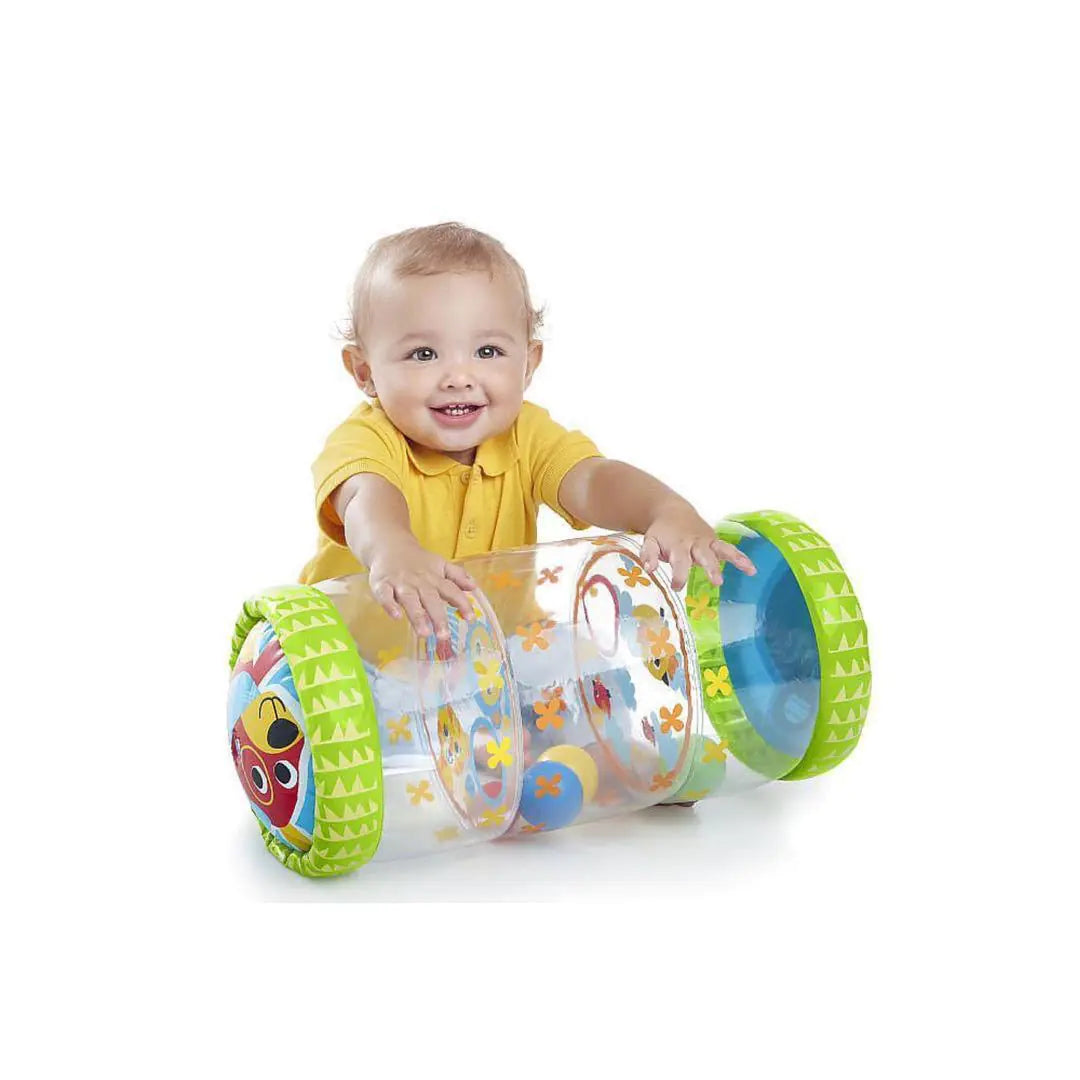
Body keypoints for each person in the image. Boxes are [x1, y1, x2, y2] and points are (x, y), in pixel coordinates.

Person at [299, 222, 755, 640]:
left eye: (488, 350)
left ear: (528, 364)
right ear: (364, 372)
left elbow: (593, 480)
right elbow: (367, 500)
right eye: (423, 354)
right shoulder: (365, 441)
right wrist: (391, 552)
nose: (459, 376)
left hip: (490, 658)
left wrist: (664, 508)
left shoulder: (527, 435)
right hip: (356, 663)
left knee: (580, 664)